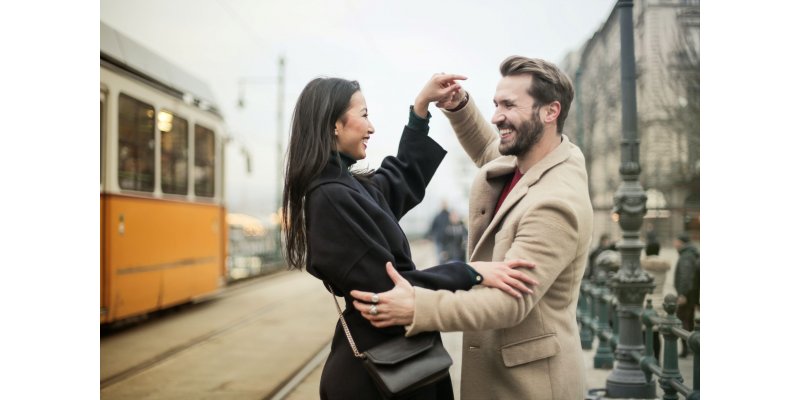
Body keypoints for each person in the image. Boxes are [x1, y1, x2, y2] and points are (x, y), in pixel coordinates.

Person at [281, 75, 539, 400]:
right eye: (363, 115)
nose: (371, 127)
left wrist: (420, 111)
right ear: (334, 125)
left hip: (394, 362)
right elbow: (391, 290)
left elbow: (399, 177)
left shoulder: (346, 187)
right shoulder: (331, 197)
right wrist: (472, 271)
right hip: (382, 373)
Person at [351, 56, 593, 400]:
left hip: (531, 386)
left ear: (550, 112)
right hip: (502, 375)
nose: (496, 116)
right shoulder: (531, 156)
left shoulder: (555, 202)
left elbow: (509, 301)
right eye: (496, 104)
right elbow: (488, 149)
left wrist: (418, 307)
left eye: (509, 105)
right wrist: (459, 106)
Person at [641, 240, 670, 361]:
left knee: (644, 334)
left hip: (646, 301)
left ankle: (647, 359)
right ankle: (657, 359)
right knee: (656, 334)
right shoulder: (663, 266)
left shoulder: (644, 265)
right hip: (659, 300)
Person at [673, 232, 700, 358]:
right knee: (688, 320)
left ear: (681, 242)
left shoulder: (686, 256)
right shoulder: (689, 254)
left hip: (687, 295)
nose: (674, 244)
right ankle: (689, 347)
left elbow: (685, 276)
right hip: (692, 294)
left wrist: (682, 294)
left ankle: (686, 348)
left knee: (682, 320)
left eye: (676, 241)